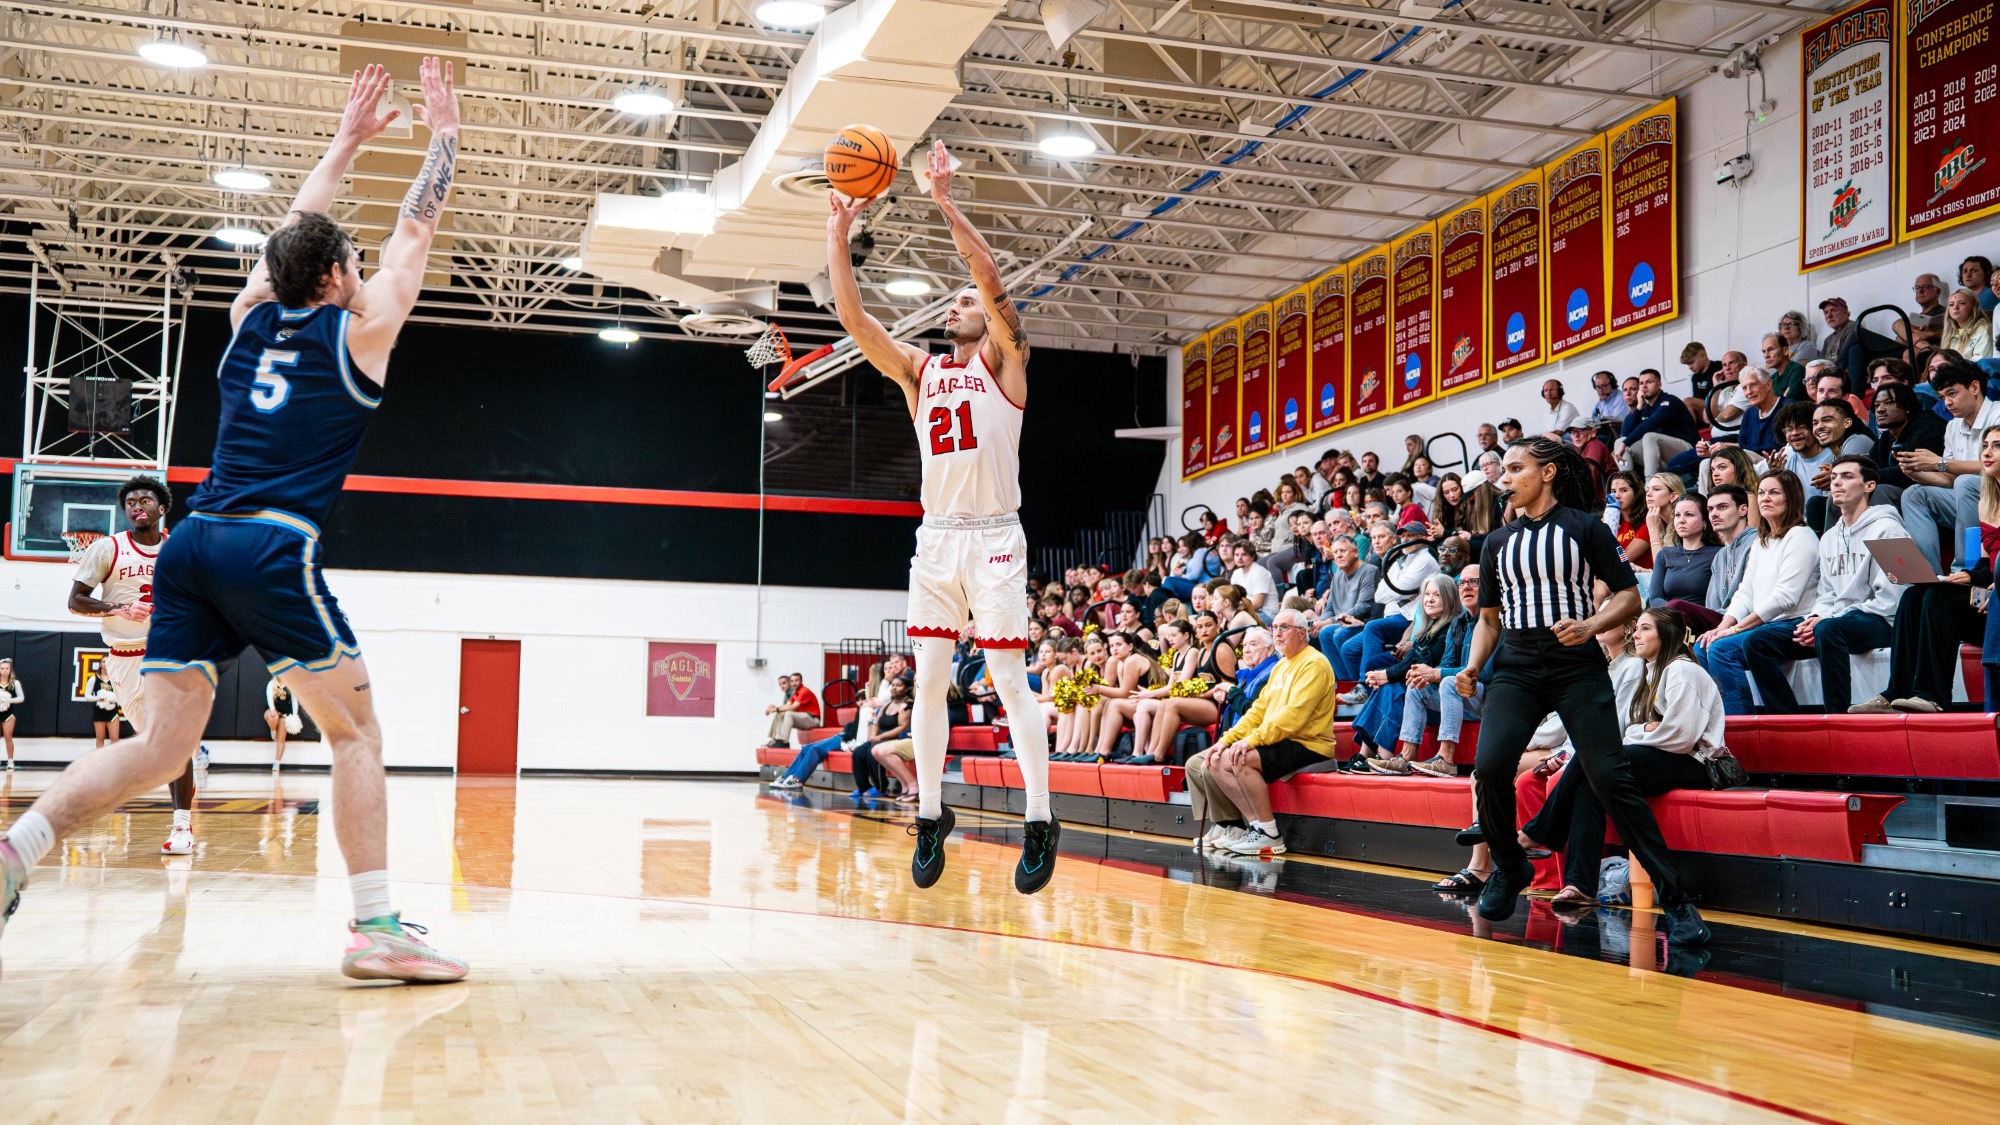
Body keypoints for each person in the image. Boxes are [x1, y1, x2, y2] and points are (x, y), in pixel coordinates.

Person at [0, 61, 466, 980]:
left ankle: (16, 850)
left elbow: (288, 237)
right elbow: (417, 227)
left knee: (162, 743)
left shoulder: (246, 318)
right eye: (354, 265)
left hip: (193, 544)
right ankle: (375, 931)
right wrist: (443, 137)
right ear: (337, 275)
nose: (367, 271)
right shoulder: (360, 335)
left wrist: (342, 146)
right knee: (357, 735)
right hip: (269, 546)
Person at [827, 140, 1058, 893]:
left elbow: (990, 281)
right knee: (928, 681)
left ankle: (1039, 819)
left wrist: (945, 200)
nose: (956, 304)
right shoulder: (920, 374)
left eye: (964, 303)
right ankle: (930, 814)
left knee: (1010, 681)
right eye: (952, 301)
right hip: (937, 540)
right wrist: (837, 236)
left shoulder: (1009, 361)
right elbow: (855, 320)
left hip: (995, 536)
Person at [1453, 436, 1710, 943]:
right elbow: (1487, 620)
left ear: (1547, 473)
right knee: (1488, 769)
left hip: (1575, 665)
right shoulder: (1497, 543)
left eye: (1515, 467)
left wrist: (1591, 626)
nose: (1505, 478)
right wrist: (1472, 666)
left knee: (1611, 778)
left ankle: (1676, 900)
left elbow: (1630, 595)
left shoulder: (1584, 528)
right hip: (1516, 668)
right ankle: (1510, 866)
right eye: (1503, 470)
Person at [1521, 608, 1727, 904]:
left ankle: (1541, 831)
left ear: (1667, 635)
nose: (1637, 635)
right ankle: (1580, 886)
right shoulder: (1651, 670)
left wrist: (1638, 732)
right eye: (1638, 628)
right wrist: (1644, 729)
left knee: (1593, 757)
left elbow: (1680, 738)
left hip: (1695, 764)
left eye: (1645, 629)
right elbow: (1635, 727)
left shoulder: (1683, 670)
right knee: (1589, 786)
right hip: (1661, 757)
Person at [66, 475, 208, 856]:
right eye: (130, 502)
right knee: (157, 746)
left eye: (145, 500)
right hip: (125, 655)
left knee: (174, 741)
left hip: (170, 650)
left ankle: (181, 825)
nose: (136, 506)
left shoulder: (179, 548)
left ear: (161, 509)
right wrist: (118, 608)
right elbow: (76, 601)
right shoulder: (107, 549)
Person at [1738, 457, 1903, 713]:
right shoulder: (1828, 537)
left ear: (1869, 485)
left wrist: (1829, 619)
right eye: (1834, 476)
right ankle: (1787, 720)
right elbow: (1826, 594)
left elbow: (1900, 596)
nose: (1837, 482)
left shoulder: (1890, 528)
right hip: (1839, 620)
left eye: (1847, 477)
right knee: (1758, 641)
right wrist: (1816, 617)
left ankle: (1836, 717)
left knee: (1829, 630)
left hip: (1887, 621)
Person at [1856, 425, 2000, 713]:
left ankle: (1933, 695)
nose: (1987, 452)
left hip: (1998, 601)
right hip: (1988, 598)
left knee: (1939, 600)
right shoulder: (1988, 500)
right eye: (1985, 445)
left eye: (1996, 445)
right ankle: (1896, 690)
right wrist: (1970, 576)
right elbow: (1985, 567)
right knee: (1914, 596)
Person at [1202, 609, 1338, 856]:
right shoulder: (1281, 666)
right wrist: (1227, 740)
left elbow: (1293, 717)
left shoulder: (1314, 663)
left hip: (1309, 743)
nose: (1277, 633)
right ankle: (1255, 826)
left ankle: (1270, 834)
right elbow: (1257, 711)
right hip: (1284, 739)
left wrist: (1251, 741)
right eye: (1274, 627)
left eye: (1283, 627)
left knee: (1240, 757)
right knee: (1216, 760)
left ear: (1302, 633)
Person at [1694, 472, 1821, 715]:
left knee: (1722, 649)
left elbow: (1786, 597)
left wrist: (1736, 629)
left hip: (1794, 623)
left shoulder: (1800, 536)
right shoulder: (1762, 541)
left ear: (1791, 498)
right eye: (1761, 492)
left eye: (1774, 493)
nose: (1765, 498)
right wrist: (1722, 627)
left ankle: (1740, 722)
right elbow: (1745, 593)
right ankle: (1717, 720)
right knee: (1704, 645)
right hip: (1766, 625)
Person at [1354, 573, 1466, 773]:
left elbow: (1421, 664)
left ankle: (1381, 754)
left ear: (1449, 598)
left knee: (1393, 688)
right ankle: (1367, 754)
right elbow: (1409, 661)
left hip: (1446, 699)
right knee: (1387, 685)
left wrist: (1386, 675)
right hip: (1429, 694)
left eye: (1437, 595)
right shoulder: (1428, 627)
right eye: (1427, 594)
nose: (1429, 599)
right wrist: (1384, 675)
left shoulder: (1452, 627)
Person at [1899, 358, 2000, 572]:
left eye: (1952, 393)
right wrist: (1918, 474)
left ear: (1974, 387)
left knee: (1966, 483)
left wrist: (1940, 463)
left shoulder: (1998, 413)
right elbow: (1949, 480)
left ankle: (1966, 568)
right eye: (1943, 397)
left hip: (1996, 499)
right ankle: (1926, 573)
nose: (1947, 403)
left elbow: (1988, 468)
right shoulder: (1952, 426)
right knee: (1914, 493)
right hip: (1970, 501)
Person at [1330, 522, 1439, 701]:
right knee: (1349, 648)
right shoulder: (1399, 561)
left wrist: (1397, 591)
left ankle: (1365, 688)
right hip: (1396, 617)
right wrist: (1398, 592)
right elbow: (1380, 595)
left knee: (1374, 627)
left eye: (1412, 536)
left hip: (1412, 619)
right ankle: (1363, 689)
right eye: (1404, 537)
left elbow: (1396, 590)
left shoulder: (1425, 558)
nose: (1407, 540)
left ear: (1423, 538)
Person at [1666, 485, 1755, 633]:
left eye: (1722, 507)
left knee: (1675, 607)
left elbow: (1753, 599)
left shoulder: (1756, 544)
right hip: (1720, 620)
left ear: (1743, 509)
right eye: (1711, 509)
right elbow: (1711, 606)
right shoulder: (1720, 556)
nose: (1714, 514)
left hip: (1745, 621)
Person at [1873, 382, 1948, 499]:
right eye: (1877, 405)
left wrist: (1866, 475)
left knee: (1878, 489)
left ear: (1907, 407)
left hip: (1934, 491)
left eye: (1889, 403)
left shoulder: (1929, 426)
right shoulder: (1886, 438)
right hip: (1908, 492)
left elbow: (1908, 472)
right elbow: (1870, 462)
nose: (1880, 410)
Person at [1650, 494, 1721, 610]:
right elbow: (1655, 597)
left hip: (1702, 618)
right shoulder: (1665, 554)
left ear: (1705, 521)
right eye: (1677, 515)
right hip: (1669, 618)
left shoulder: (1718, 554)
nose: (1681, 520)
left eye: (1689, 515)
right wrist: (1675, 614)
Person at [763, 672, 822, 747]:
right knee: (780, 714)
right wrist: (774, 709)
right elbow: (787, 705)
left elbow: (793, 707)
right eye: (792, 681)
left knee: (788, 713)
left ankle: (783, 741)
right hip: (804, 719)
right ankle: (777, 740)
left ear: (801, 681)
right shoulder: (795, 693)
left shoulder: (804, 691)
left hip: (813, 720)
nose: (794, 683)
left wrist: (776, 709)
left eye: (796, 680)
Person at [1606, 471, 1651, 569]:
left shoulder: (1648, 520)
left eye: (1623, 490)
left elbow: (1624, 558)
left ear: (1637, 492)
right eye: (1613, 491)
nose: (1617, 496)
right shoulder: (1611, 522)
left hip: (1642, 579)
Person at [1942, 287, 1996, 362]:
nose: (1955, 307)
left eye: (1962, 303)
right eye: (1951, 304)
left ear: (1974, 307)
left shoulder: (1984, 329)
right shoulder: (1951, 333)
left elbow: (1981, 362)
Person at [265, 678, 301, 772]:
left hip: (285, 714)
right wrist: (272, 709)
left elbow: (294, 701)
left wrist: (294, 716)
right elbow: (269, 697)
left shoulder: (290, 684)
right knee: (273, 717)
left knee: (281, 738)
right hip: (272, 712)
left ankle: (277, 762)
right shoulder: (271, 683)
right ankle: (273, 730)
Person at [1762, 332, 1810, 401]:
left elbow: (1788, 402)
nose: (1766, 355)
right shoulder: (1772, 378)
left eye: (1771, 350)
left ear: (1785, 350)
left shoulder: (1797, 371)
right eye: (1764, 351)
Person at [87, 667, 120, 750]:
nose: (106, 664)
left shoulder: (115, 679)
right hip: (99, 711)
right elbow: (87, 696)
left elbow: (121, 694)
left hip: (113, 711)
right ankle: (100, 760)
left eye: (108, 662)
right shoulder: (94, 679)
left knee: (115, 738)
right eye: (104, 661)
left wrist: (114, 699)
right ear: (100, 664)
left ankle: (114, 760)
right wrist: (98, 698)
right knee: (100, 737)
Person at [0, 660, 21, 767]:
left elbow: (21, 698)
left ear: (10, 670)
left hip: (8, 714)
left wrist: (8, 700)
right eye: (2, 668)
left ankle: (10, 761)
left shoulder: (14, 683)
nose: (4, 671)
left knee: (8, 736)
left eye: (6, 668)